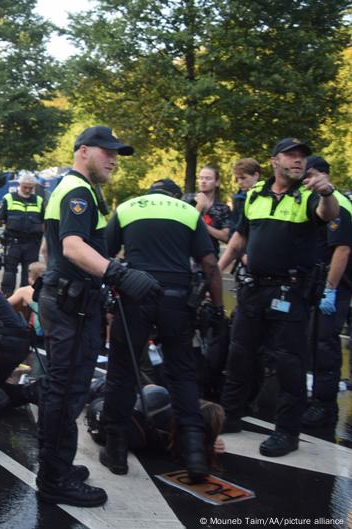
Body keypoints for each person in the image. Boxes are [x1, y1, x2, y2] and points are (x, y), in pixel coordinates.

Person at [36, 126, 159, 507]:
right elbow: (72, 247)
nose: (113, 158)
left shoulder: (70, 187)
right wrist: (118, 273)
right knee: (66, 391)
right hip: (72, 307)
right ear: (83, 150)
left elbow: (49, 248)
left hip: (71, 302)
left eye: (117, 153)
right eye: (107, 151)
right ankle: (55, 477)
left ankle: (58, 465)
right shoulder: (77, 190)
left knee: (67, 389)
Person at [217, 137, 338, 457]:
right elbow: (240, 237)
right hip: (254, 289)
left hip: (291, 291)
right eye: (291, 156)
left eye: (302, 157)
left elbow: (328, 214)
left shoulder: (311, 195)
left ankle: (287, 432)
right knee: (239, 354)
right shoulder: (254, 195)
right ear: (274, 161)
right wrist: (215, 272)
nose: (298, 161)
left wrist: (326, 192)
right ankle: (231, 414)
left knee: (289, 362)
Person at [100, 178, 224, 482]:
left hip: (134, 297)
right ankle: (194, 455)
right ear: (175, 195)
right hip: (176, 301)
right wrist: (219, 310)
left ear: (149, 192)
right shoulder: (187, 212)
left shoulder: (128, 208)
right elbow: (209, 264)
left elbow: (103, 255)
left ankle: (116, 452)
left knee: (122, 372)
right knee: (182, 373)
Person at [304, 156, 351, 428]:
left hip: (334, 283)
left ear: (321, 175)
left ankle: (324, 404)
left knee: (324, 344)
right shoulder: (317, 203)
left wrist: (330, 290)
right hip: (319, 279)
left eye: (308, 176)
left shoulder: (338, 203)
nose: (305, 182)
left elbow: (342, 249)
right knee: (313, 340)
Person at [87, 385, 227, 469]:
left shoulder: (159, 401)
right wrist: (205, 444)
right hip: (106, 419)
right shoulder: (178, 445)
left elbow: (149, 389)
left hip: (102, 412)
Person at [0, 172, 45, 295]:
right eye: (25, 187)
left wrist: (47, 241)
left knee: (29, 275)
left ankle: (24, 304)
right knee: (9, 274)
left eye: (31, 187)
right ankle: (7, 300)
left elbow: (43, 223)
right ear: (19, 185)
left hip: (32, 244)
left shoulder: (39, 201)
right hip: (13, 243)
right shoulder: (9, 198)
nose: (28, 190)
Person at [183, 165, 231, 254]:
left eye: (208, 178)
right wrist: (199, 206)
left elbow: (226, 237)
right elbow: (184, 228)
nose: (203, 181)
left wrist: (202, 225)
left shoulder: (222, 208)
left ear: (217, 182)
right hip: (188, 254)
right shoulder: (187, 200)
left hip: (211, 255)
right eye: (201, 178)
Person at [229, 158, 262, 242]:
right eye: (237, 178)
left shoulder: (266, 196)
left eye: (243, 178)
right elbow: (234, 227)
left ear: (256, 175)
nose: (239, 182)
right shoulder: (238, 199)